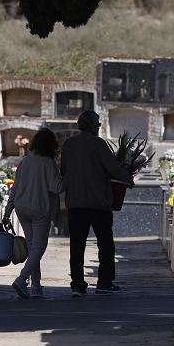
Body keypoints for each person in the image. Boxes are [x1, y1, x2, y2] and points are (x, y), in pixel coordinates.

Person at [59, 110, 133, 296]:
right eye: (98, 123)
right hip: (98, 203)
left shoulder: (69, 145)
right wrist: (128, 178)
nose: (99, 126)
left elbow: (64, 171)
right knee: (105, 244)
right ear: (92, 125)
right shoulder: (98, 144)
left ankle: (77, 284)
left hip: (75, 203)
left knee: (77, 245)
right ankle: (104, 283)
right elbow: (113, 167)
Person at [2, 127, 64, 299]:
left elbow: (14, 188)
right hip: (40, 209)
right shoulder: (48, 163)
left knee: (32, 247)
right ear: (52, 146)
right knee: (39, 247)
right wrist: (68, 177)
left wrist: (8, 212)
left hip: (22, 207)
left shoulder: (25, 160)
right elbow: (56, 188)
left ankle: (36, 286)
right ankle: (22, 279)